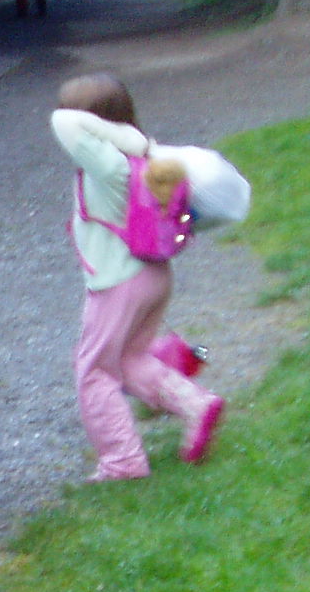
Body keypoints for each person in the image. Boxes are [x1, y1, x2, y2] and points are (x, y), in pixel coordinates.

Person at [50, 73, 226, 480]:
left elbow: (63, 123)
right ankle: (196, 405)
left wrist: (106, 130)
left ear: (93, 122)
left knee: (93, 372)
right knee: (130, 359)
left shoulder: (110, 163)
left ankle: (122, 459)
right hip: (153, 276)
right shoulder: (147, 159)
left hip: (118, 283)